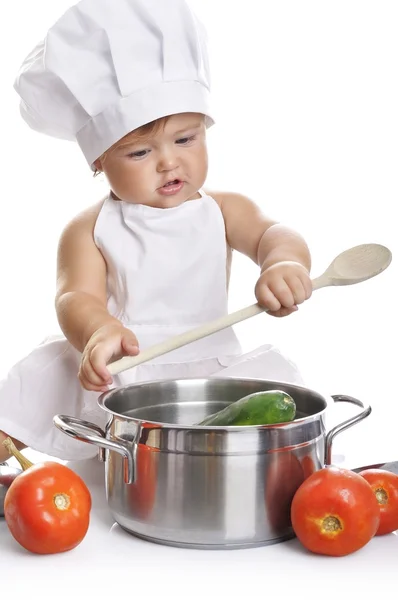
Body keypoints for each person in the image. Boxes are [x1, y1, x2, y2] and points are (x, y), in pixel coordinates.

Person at [0, 0, 312, 463]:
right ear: (98, 162)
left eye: (186, 139)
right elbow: (75, 298)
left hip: (207, 363)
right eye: (140, 152)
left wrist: (284, 263)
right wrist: (99, 331)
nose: (169, 162)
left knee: (276, 418)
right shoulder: (89, 228)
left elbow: (273, 234)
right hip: (121, 360)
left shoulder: (224, 210)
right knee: (35, 387)